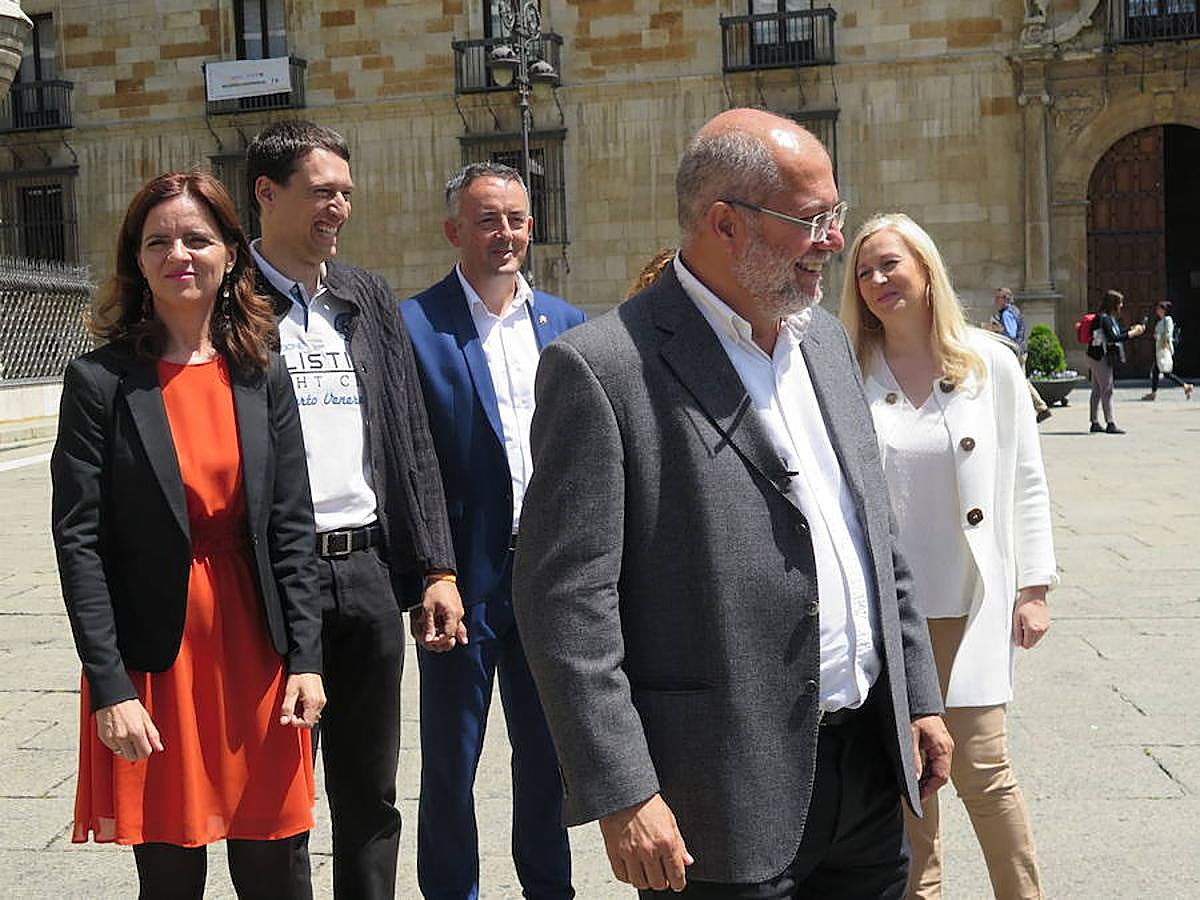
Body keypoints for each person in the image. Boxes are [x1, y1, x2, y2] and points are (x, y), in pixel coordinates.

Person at [512, 108, 952, 898]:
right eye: (811, 220)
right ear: (725, 223)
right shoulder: (604, 369)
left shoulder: (824, 341)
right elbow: (566, 606)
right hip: (716, 795)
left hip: (866, 769)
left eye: (836, 215)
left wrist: (916, 696)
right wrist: (624, 791)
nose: (834, 241)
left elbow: (874, 536)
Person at [52, 171, 325, 898]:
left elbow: (292, 524)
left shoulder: (262, 374)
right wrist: (110, 687)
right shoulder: (99, 383)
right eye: (158, 241)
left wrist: (306, 658)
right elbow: (80, 545)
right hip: (159, 658)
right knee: (171, 877)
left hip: (259, 652)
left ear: (231, 254)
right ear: (137, 260)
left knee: (275, 869)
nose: (179, 254)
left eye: (197, 238)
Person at [245, 119, 465, 899]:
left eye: (344, 192)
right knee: (280, 795)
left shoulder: (365, 296)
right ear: (267, 194)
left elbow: (408, 433)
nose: (338, 207)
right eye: (320, 192)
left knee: (370, 792)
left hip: (366, 568)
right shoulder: (230, 301)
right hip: (273, 579)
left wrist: (435, 566)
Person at [841, 213, 1057, 900]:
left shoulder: (989, 363)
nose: (878, 280)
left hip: (971, 602)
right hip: (889, 613)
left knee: (985, 772)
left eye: (890, 264)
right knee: (912, 781)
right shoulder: (846, 369)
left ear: (926, 269)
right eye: (864, 271)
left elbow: (1026, 476)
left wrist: (1034, 586)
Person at [401, 161, 583, 899]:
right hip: (459, 582)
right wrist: (430, 570)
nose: (504, 233)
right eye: (486, 220)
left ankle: (550, 889)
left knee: (548, 760)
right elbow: (408, 462)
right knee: (452, 763)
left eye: (515, 220)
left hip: (546, 580)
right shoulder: (415, 326)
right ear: (454, 231)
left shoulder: (566, 325)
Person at [987, 287, 1051, 423]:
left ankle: (1041, 407)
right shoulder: (1012, 311)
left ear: (1005, 299)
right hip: (1019, 350)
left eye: (998, 298)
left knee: (1021, 380)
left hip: (1016, 351)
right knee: (1019, 379)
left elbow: (1011, 334)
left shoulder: (1007, 313)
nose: (995, 301)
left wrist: (995, 330)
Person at [1086, 289, 1144, 434]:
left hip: (1094, 356)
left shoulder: (1106, 317)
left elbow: (1115, 334)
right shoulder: (1104, 318)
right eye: (1120, 303)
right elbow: (1113, 338)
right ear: (1113, 304)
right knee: (1107, 389)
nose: (1121, 306)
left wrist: (1130, 330)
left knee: (1097, 390)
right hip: (1100, 357)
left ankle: (1094, 422)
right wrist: (1132, 334)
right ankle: (1110, 423)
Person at [1141, 300, 1193, 400]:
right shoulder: (1160, 321)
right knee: (1156, 371)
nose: (1157, 310)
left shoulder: (1168, 319)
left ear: (1163, 310)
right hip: (1159, 349)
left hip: (1163, 349)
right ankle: (1154, 393)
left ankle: (1185, 386)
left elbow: (1168, 333)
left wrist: (1164, 345)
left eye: (1159, 309)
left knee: (1165, 372)